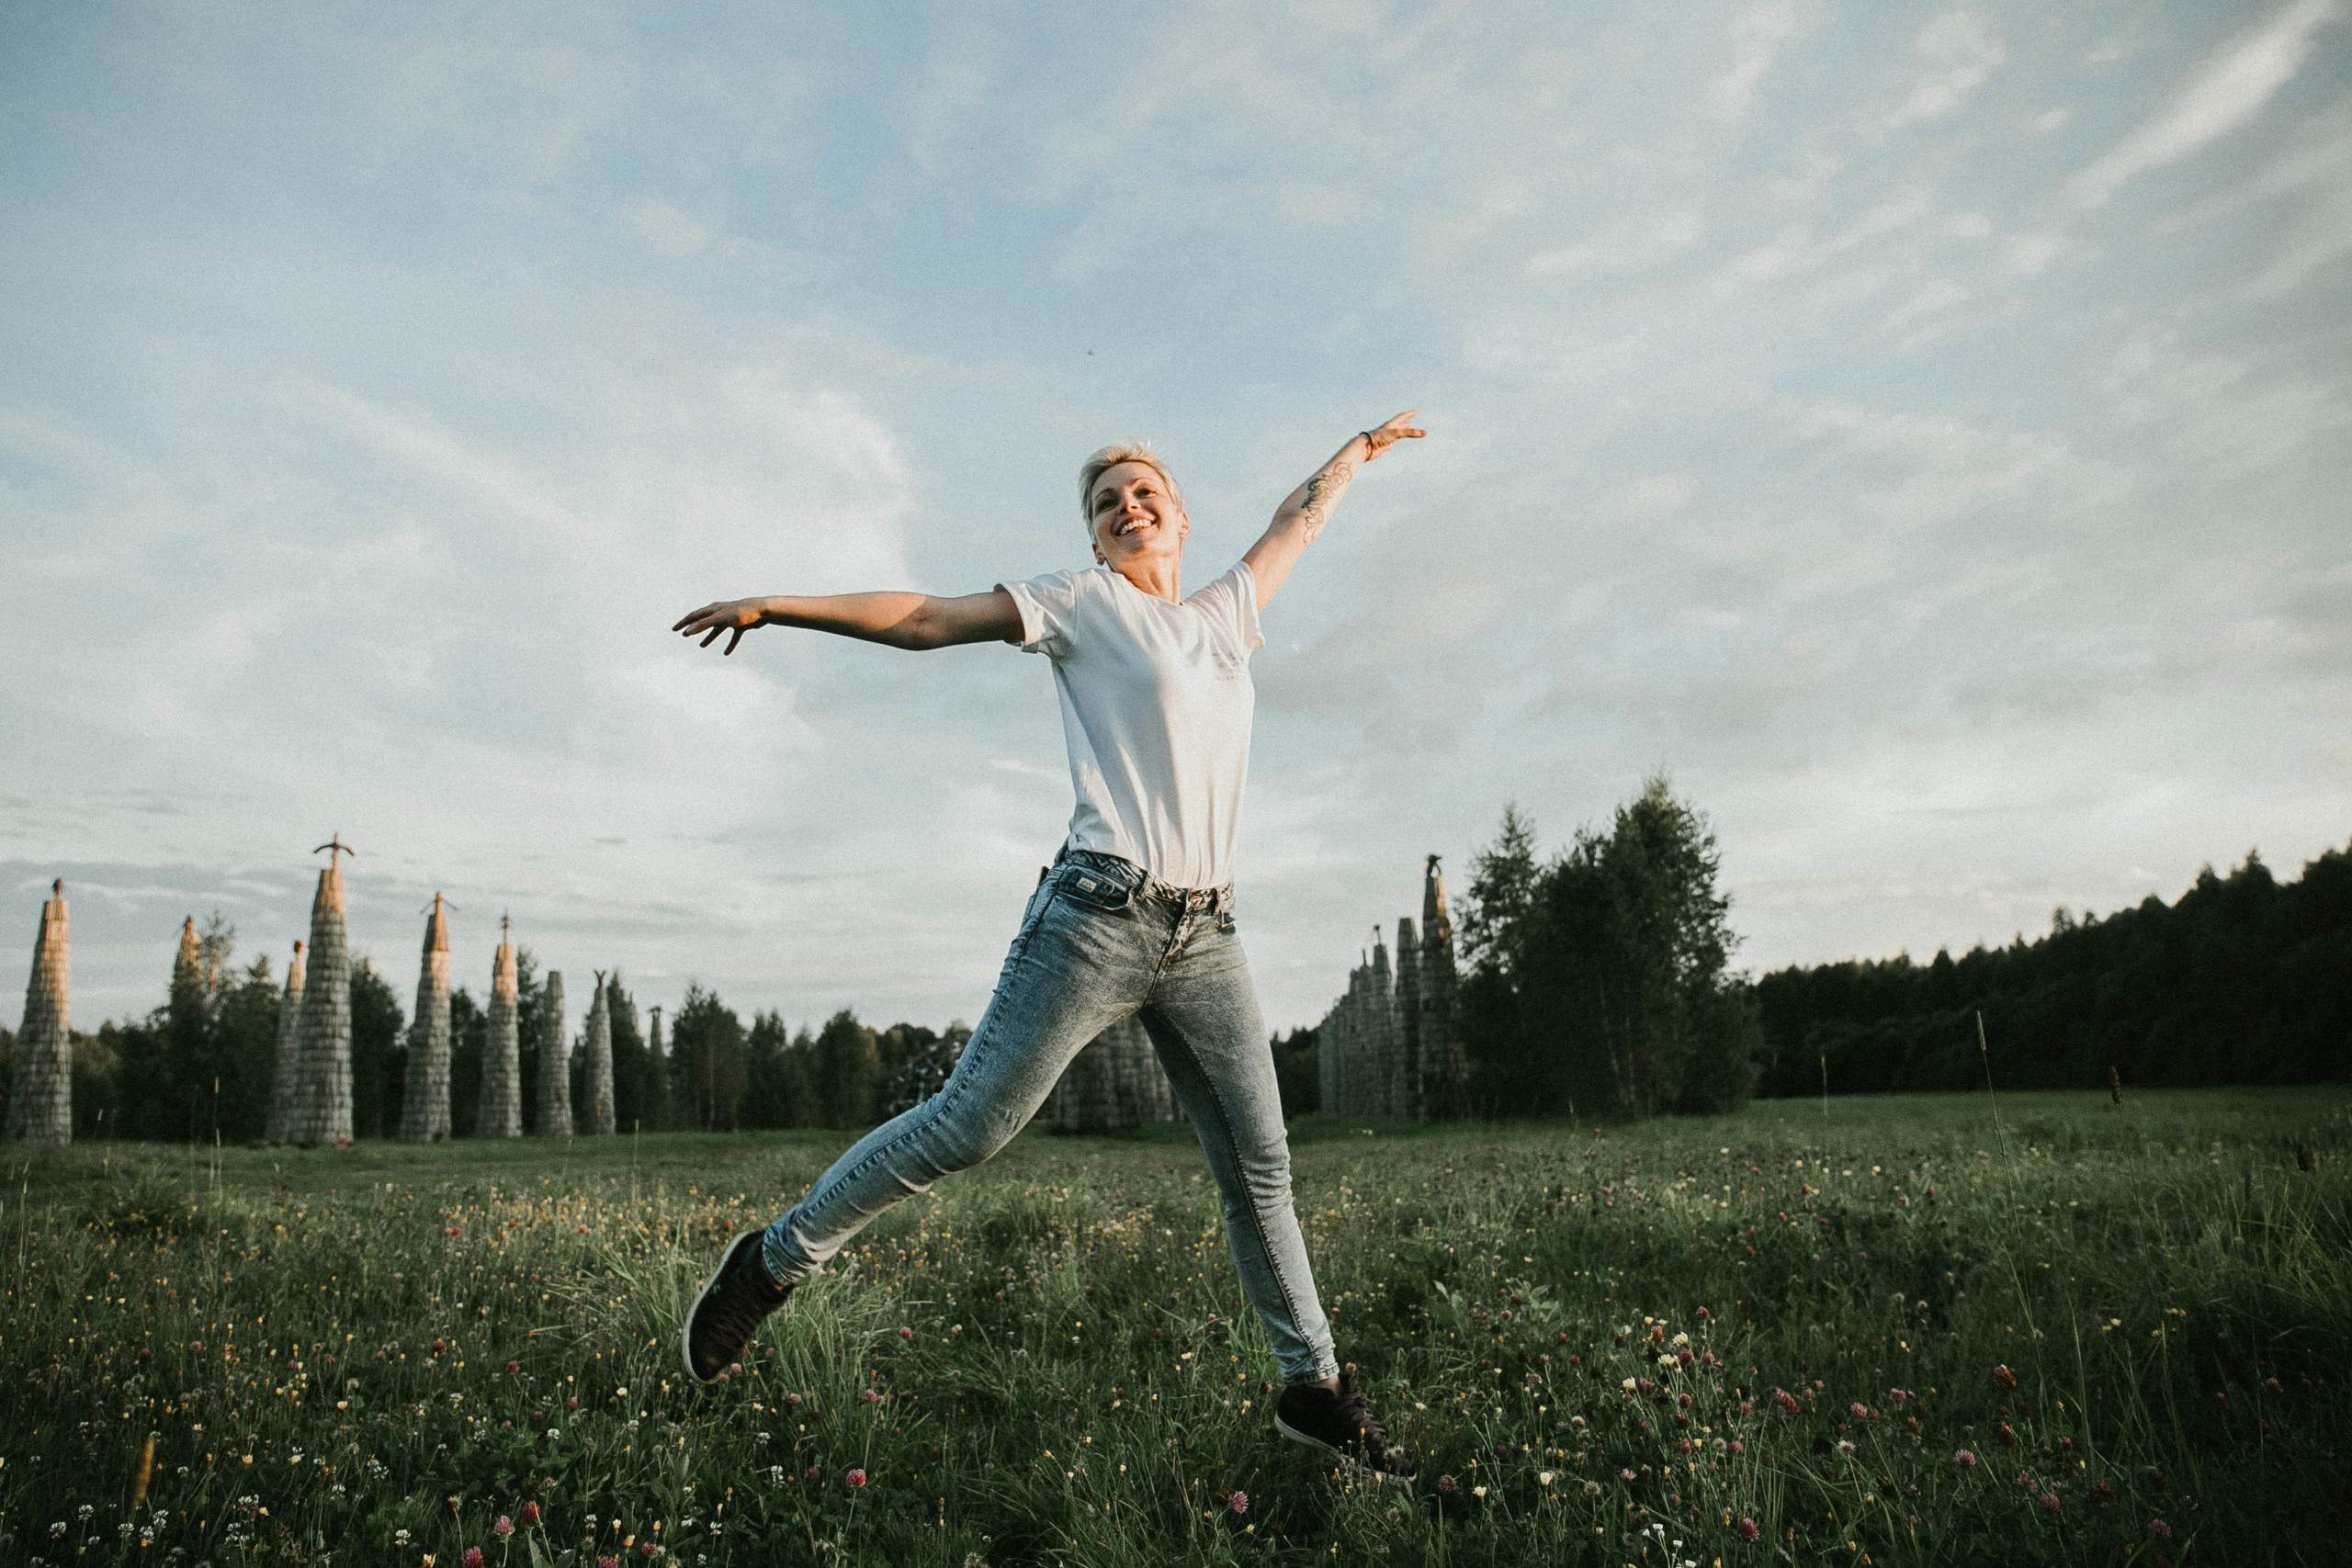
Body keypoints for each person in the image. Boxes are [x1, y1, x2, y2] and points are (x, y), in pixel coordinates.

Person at [669, 411, 1426, 1479]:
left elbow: (1295, 521)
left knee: (1260, 1166)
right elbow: (927, 617)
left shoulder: (1226, 614)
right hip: (1096, 916)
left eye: (1143, 493)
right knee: (970, 1126)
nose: (1127, 505)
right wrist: (778, 604)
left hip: (1207, 932)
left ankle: (1313, 1388)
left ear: (1178, 517)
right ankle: (772, 1260)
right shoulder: (1083, 604)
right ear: (1094, 537)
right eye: (1106, 501)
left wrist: (1356, 452)